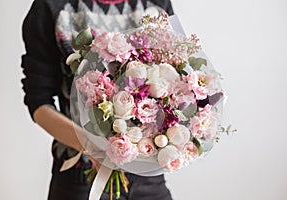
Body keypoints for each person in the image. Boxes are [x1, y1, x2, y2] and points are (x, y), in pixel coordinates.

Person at [21, 0, 174, 199]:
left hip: (148, 176)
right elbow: (39, 103)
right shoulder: (53, 6)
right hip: (81, 174)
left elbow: (174, 79)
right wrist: (92, 146)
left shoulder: (156, 4)